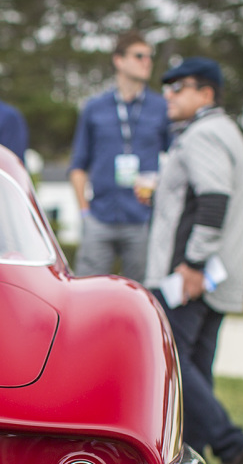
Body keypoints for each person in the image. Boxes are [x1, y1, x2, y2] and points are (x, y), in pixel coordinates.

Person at [145, 57, 243, 464]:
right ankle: (191, 461)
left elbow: (213, 201)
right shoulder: (225, 131)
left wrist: (193, 263)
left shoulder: (203, 134)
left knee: (173, 365)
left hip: (192, 274)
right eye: (168, 88)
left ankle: (232, 444)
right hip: (215, 272)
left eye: (179, 88)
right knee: (194, 368)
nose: (169, 95)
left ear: (207, 93)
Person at [69, 31, 172, 282]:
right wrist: (85, 213)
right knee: (88, 290)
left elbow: (173, 160)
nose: (146, 62)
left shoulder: (162, 108)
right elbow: (78, 166)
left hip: (143, 218)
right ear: (119, 60)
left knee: (144, 293)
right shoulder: (95, 107)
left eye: (149, 57)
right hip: (100, 217)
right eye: (139, 56)